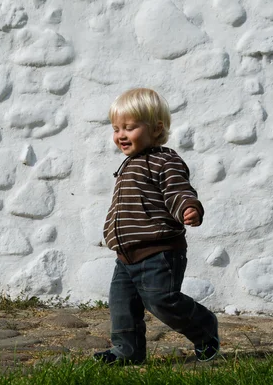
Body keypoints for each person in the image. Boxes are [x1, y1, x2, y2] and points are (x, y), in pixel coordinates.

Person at [94, 87, 220, 365]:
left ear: (156, 128)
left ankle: (204, 328)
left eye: (129, 127)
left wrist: (188, 207)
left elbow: (178, 190)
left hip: (159, 252)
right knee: (122, 306)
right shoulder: (128, 164)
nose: (120, 135)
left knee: (162, 300)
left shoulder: (166, 160)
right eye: (116, 129)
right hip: (125, 256)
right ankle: (127, 351)